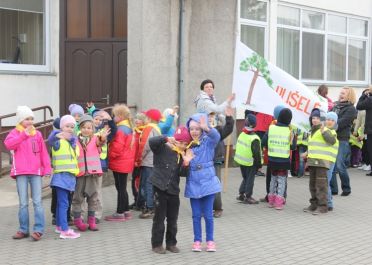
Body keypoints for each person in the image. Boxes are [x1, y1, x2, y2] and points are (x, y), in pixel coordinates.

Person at [4, 106, 51, 241]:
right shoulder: (14, 133)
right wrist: (23, 135)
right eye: (27, 119)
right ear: (20, 120)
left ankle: (38, 230)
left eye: (31, 119)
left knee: (37, 202)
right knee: (23, 203)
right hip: (21, 173)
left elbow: (43, 153)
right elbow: (9, 145)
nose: (30, 122)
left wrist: (47, 168)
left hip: (36, 172)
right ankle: (23, 229)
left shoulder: (38, 134)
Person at [149, 126, 193, 254]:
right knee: (159, 218)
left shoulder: (182, 155)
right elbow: (152, 142)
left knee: (173, 219)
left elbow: (183, 174)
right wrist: (166, 138)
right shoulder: (162, 148)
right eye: (180, 142)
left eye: (185, 144)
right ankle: (157, 244)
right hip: (159, 188)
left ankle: (171, 243)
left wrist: (186, 163)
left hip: (173, 191)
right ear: (175, 140)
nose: (182, 145)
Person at [185, 113, 221, 252]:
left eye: (197, 129)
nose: (194, 131)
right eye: (192, 129)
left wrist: (207, 128)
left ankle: (210, 241)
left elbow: (216, 137)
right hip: (193, 183)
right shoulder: (188, 145)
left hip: (208, 183)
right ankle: (197, 241)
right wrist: (186, 163)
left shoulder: (207, 142)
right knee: (195, 215)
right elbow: (183, 167)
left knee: (208, 215)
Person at [72, 115, 109, 231]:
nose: (86, 130)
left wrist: (103, 138)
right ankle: (78, 221)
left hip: (92, 174)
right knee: (78, 198)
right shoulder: (75, 140)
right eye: (84, 127)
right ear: (80, 128)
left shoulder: (95, 139)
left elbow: (101, 143)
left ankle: (91, 221)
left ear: (93, 129)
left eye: (89, 128)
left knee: (93, 198)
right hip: (80, 174)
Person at [49, 115, 81, 239]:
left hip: (69, 177)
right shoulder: (58, 141)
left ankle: (59, 226)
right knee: (64, 204)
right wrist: (57, 135)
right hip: (61, 177)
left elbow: (76, 155)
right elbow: (51, 140)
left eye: (72, 127)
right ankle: (65, 230)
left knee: (61, 203)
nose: (69, 129)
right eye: (67, 126)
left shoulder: (73, 143)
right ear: (62, 127)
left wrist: (73, 142)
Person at [302, 110, 338, 215]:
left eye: (332, 120)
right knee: (312, 184)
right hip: (313, 161)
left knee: (321, 185)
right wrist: (307, 153)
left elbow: (331, 140)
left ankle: (323, 206)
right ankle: (314, 204)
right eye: (328, 119)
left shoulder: (330, 131)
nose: (329, 121)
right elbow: (315, 145)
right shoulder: (313, 131)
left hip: (322, 162)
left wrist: (323, 131)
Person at [105, 104, 136, 221]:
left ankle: (119, 213)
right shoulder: (128, 126)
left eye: (115, 115)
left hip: (120, 161)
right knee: (122, 187)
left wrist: (109, 157)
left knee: (120, 188)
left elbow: (117, 147)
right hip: (126, 161)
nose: (113, 118)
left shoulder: (120, 129)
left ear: (121, 116)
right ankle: (126, 211)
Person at [262, 107, 294, 210]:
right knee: (281, 180)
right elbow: (293, 147)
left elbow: (264, 141)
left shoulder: (271, 128)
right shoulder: (289, 131)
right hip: (283, 160)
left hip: (272, 159)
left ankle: (271, 200)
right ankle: (279, 202)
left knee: (273, 179)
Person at [330, 87, 357, 196]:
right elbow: (328, 118)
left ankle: (346, 188)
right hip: (332, 138)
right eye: (340, 93)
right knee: (331, 166)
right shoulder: (335, 106)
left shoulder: (351, 109)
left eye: (343, 93)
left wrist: (330, 125)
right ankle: (333, 189)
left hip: (342, 140)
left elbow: (342, 122)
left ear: (349, 96)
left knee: (340, 166)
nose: (341, 94)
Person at [208, 106, 234, 218]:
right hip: (203, 161)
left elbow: (228, 129)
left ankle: (217, 208)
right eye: (208, 116)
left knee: (215, 185)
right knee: (204, 185)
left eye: (212, 116)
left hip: (216, 160)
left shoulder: (218, 130)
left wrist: (229, 117)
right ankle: (206, 207)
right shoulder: (200, 129)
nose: (210, 118)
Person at [138, 109, 162, 219]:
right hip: (156, 160)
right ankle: (153, 206)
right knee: (152, 184)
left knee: (147, 185)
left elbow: (145, 145)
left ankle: (149, 207)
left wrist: (139, 158)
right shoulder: (158, 128)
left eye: (146, 117)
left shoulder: (149, 128)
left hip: (148, 161)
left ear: (150, 118)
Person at [234, 114, 262, 204]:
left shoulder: (242, 133)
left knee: (245, 178)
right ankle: (248, 196)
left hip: (241, 161)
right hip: (250, 162)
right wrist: (259, 165)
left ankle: (241, 194)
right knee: (250, 179)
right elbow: (257, 154)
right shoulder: (254, 138)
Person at [130, 112, 148, 210]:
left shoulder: (144, 132)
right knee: (134, 181)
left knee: (140, 182)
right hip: (134, 162)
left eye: (139, 119)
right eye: (136, 118)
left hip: (141, 161)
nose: (137, 120)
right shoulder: (135, 131)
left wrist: (138, 159)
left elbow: (142, 148)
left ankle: (142, 203)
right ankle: (136, 200)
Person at [356, 87, 372, 176]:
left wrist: (363, 95)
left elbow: (359, 106)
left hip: (370, 129)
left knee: (370, 149)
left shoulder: (370, 100)